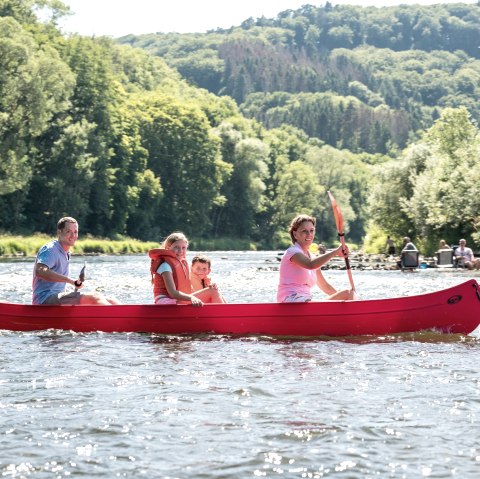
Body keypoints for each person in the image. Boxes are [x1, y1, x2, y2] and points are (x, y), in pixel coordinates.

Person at [32, 217, 120, 305]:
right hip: (44, 300)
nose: (73, 235)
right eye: (68, 231)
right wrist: (71, 281)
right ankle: (117, 318)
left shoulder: (66, 252)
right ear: (59, 232)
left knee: (110, 299)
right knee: (95, 297)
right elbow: (40, 271)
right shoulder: (50, 249)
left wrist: (74, 285)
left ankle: (126, 318)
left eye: (75, 232)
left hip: (56, 298)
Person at [277, 214, 356, 303]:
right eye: (304, 231)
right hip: (290, 300)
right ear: (295, 234)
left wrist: (343, 298)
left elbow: (324, 286)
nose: (309, 234)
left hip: (306, 301)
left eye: (311, 231)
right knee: (348, 294)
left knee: (348, 294)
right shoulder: (292, 252)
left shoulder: (312, 257)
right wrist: (335, 252)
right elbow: (310, 264)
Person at [149, 232, 224, 306]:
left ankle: (227, 315)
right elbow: (172, 293)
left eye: (183, 247)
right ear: (168, 247)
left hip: (176, 300)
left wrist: (206, 290)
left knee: (213, 291)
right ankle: (227, 316)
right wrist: (191, 297)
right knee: (212, 292)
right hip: (167, 303)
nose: (180, 251)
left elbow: (188, 290)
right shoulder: (165, 265)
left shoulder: (182, 263)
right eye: (176, 247)